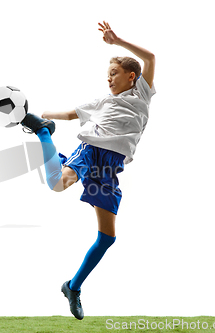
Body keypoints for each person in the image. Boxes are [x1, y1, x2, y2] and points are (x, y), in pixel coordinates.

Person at [20, 21, 156, 320]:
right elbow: (71, 114)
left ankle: (73, 287)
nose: (109, 79)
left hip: (110, 169)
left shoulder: (141, 95)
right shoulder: (103, 101)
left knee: (107, 237)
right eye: (107, 75)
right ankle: (44, 134)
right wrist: (42, 115)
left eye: (114, 73)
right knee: (56, 184)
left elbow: (150, 59)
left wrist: (117, 40)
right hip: (91, 151)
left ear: (131, 77)